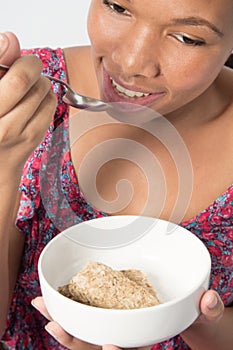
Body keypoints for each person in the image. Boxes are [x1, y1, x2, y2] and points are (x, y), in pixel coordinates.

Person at [0, 0, 232, 349]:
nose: (131, 63)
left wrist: (198, 324)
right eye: (118, 7)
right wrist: (3, 170)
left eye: (186, 37)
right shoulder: (21, 96)